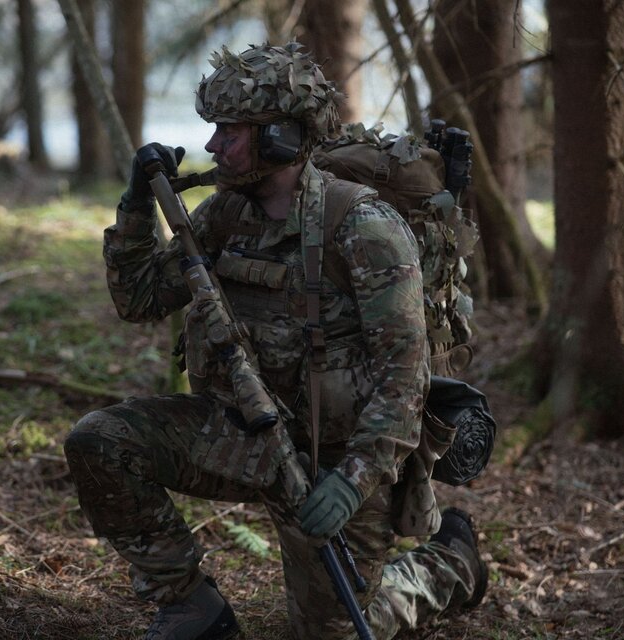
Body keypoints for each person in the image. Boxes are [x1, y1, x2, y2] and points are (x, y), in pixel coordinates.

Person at [64, 42, 487, 640]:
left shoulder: (363, 229)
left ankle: (449, 567)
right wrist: (135, 205)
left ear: (283, 139)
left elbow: (405, 378)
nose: (212, 147)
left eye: (231, 133)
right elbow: (138, 299)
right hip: (243, 434)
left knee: (337, 631)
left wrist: (352, 482)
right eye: (215, 132)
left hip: (334, 464)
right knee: (101, 442)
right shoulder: (223, 214)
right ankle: (192, 607)